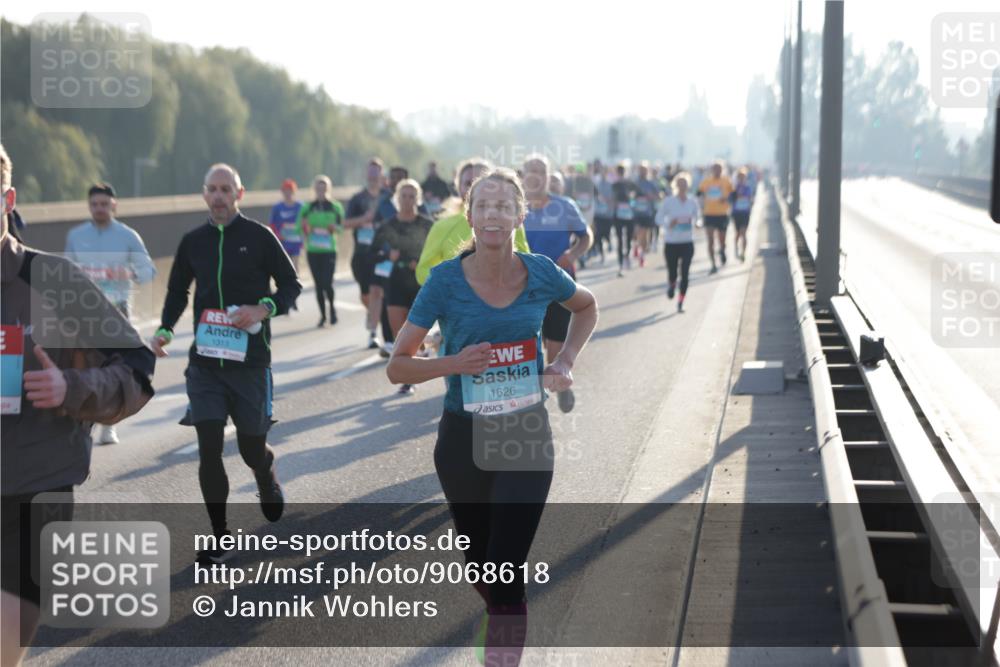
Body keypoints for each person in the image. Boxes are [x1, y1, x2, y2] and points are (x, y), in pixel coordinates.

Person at [386, 168, 598, 667]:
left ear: (519, 216)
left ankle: (501, 650)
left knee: (505, 568)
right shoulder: (444, 282)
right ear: (470, 215)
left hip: (523, 432)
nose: (493, 214)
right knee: (482, 567)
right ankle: (503, 615)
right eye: (484, 205)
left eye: (504, 206)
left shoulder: (542, 270)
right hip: (462, 438)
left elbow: (586, 308)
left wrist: (565, 360)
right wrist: (454, 364)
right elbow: (399, 365)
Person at [1, 144, 156, 667]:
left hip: (30, 491)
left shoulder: (53, 281)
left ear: (9, 199)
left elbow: (137, 369)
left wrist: (72, 388)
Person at [151, 163, 301, 565]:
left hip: (250, 363)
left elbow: (291, 285)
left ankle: (264, 470)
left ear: (239, 193)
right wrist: (165, 329)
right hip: (205, 365)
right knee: (209, 448)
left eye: (225, 189)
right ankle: (220, 537)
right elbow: (178, 289)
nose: (218, 196)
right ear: (204, 194)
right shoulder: (193, 241)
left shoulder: (259, 237)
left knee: (251, 448)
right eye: (212, 189)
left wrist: (263, 308)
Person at [64, 182, 157, 445]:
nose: (99, 209)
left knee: (114, 370)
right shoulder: (76, 235)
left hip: (117, 311)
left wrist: (126, 273)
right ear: (88, 206)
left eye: (104, 204)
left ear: (114, 205)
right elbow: (66, 272)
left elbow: (149, 272)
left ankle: (109, 424)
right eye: (94, 204)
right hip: (85, 311)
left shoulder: (128, 236)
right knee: (86, 368)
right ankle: (85, 423)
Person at [521, 155, 593, 413]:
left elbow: (585, 237)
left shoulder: (564, 206)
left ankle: (559, 380)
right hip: (523, 286)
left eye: (541, 171)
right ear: (523, 175)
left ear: (548, 176)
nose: (536, 175)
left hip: (559, 284)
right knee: (528, 342)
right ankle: (534, 395)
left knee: (555, 342)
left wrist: (572, 255)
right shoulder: (515, 209)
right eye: (531, 170)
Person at [371, 179, 434, 395]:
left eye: (411, 196)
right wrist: (388, 255)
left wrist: (423, 261)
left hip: (419, 284)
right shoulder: (387, 226)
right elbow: (372, 254)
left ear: (417, 199)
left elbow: (437, 253)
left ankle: (417, 365)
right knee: (401, 334)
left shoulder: (427, 225)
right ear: (397, 199)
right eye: (403, 196)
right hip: (395, 282)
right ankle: (409, 379)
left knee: (416, 333)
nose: (407, 200)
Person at [343, 159, 384, 349]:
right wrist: (364, 219)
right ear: (366, 175)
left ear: (381, 174)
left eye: (376, 172)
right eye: (371, 172)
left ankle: (374, 333)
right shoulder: (357, 198)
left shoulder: (388, 197)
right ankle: (372, 311)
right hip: (362, 254)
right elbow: (345, 223)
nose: (373, 176)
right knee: (366, 294)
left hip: (383, 254)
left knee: (379, 291)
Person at [298, 175, 345, 327]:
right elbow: (299, 228)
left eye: (324, 188)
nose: (321, 191)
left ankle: (332, 309)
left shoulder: (335, 207)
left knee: (327, 283)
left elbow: (341, 227)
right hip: (313, 251)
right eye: (318, 188)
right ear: (314, 189)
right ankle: (323, 316)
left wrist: (334, 228)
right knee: (318, 285)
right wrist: (306, 228)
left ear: (328, 189)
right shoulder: (307, 208)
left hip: (329, 250)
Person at [656, 172, 701, 312]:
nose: (682, 187)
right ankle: (671, 284)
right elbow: (658, 219)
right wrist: (669, 223)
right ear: (675, 185)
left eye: (685, 184)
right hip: (671, 243)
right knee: (673, 272)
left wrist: (698, 224)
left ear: (688, 186)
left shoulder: (692, 202)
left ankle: (681, 301)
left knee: (685, 273)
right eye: (680, 184)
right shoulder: (668, 202)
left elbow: (698, 217)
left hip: (687, 242)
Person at [696, 161, 733, 274]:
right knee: (710, 240)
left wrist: (726, 199)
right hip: (709, 213)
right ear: (712, 170)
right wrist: (703, 196)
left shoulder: (726, 180)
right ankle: (713, 264)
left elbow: (734, 195)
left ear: (722, 170)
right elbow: (698, 193)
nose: (717, 171)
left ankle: (722, 250)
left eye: (719, 169)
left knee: (722, 239)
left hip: (722, 213)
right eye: (715, 169)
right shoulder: (706, 181)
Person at [268, 178, 305, 276]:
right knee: (284, 265)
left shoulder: (301, 206)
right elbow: (272, 224)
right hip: (283, 240)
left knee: (295, 264)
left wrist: (304, 235)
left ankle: (296, 284)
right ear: (282, 192)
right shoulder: (277, 207)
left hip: (296, 240)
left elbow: (306, 222)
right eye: (285, 191)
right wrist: (277, 235)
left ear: (294, 191)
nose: (288, 193)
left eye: (290, 190)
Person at [611, 164, 638, 277]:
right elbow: (612, 198)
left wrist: (631, 202)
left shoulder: (630, 183)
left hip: (629, 214)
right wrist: (615, 204)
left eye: (622, 171)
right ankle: (621, 264)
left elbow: (635, 196)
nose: (621, 173)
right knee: (620, 240)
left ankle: (626, 255)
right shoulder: (615, 184)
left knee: (629, 238)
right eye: (619, 171)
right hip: (618, 215)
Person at [730, 167, 755, 262]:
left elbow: (749, 198)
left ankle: (743, 253)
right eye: (739, 177)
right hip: (736, 213)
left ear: (745, 178)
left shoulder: (748, 188)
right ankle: (736, 246)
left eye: (743, 177)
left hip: (745, 213)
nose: (741, 179)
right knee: (738, 233)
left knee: (743, 233)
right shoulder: (734, 188)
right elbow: (731, 199)